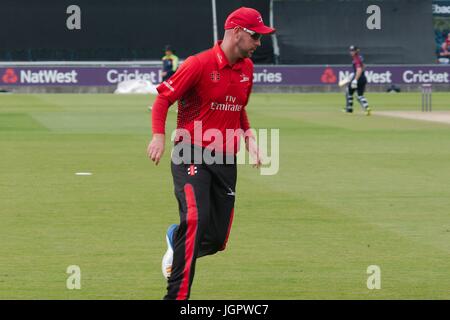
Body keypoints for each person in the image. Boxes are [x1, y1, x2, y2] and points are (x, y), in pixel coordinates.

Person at [147, 7, 275, 300]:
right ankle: (176, 297)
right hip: (190, 152)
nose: (258, 43)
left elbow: (238, 107)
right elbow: (163, 99)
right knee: (194, 220)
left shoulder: (247, 69)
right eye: (255, 36)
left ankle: (174, 239)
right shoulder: (198, 64)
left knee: (216, 239)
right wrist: (158, 135)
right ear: (236, 33)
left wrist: (249, 139)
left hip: (225, 160)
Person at [344, 45, 371, 116]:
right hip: (363, 78)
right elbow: (364, 67)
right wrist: (354, 74)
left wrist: (355, 79)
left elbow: (359, 69)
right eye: (350, 50)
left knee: (348, 91)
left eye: (353, 50)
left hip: (358, 79)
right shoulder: (360, 57)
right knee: (360, 95)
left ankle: (349, 109)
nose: (351, 52)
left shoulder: (356, 59)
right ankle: (367, 108)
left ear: (356, 51)